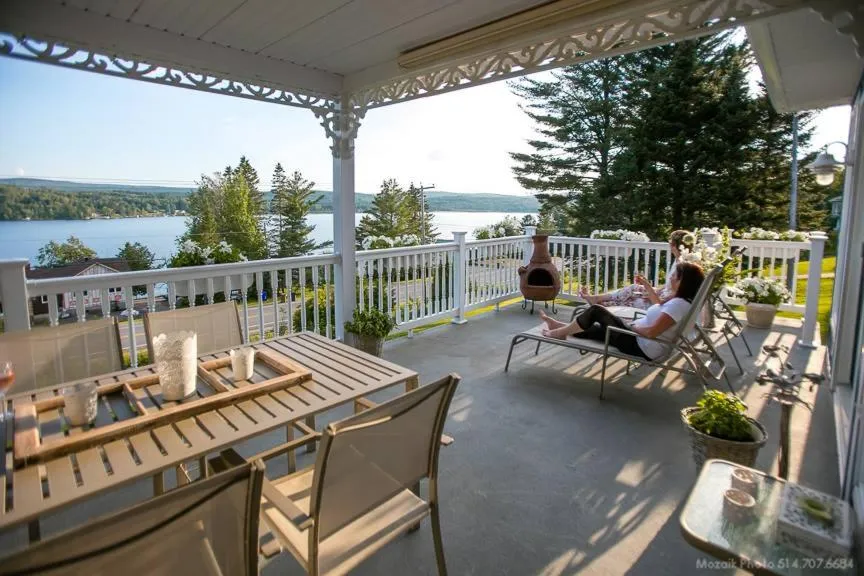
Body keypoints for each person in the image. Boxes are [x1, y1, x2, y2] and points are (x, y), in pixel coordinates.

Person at [540, 262, 705, 360]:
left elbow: (652, 332)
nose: (670, 277)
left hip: (640, 344)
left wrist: (631, 326)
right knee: (597, 331)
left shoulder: (678, 305)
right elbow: (659, 312)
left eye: (674, 275)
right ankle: (560, 327)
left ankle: (558, 332)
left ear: (684, 281)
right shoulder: (681, 301)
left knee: (596, 311)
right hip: (640, 340)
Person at [579, 229, 695, 309]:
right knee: (634, 288)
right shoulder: (679, 261)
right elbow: (668, 287)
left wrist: (650, 293)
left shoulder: (684, 267)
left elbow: (664, 301)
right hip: (661, 296)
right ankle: (597, 300)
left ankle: (598, 304)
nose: (669, 246)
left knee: (630, 300)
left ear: (674, 245)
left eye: (670, 243)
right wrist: (655, 290)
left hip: (660, 304)